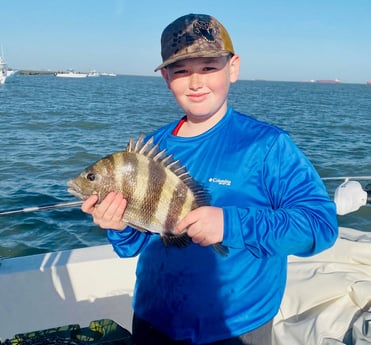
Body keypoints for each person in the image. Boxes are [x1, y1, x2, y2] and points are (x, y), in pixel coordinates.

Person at [82, 13, 338, 345]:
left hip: (235, 328)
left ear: (233, 68)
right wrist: (119, 227)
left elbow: (320, 225)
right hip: (152, 318)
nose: (196, 82)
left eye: (208, 67)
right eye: (181, 71)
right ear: (165, 77)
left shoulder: (267, 145)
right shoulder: (151, 150)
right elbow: (142, 240)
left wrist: (230, 224)